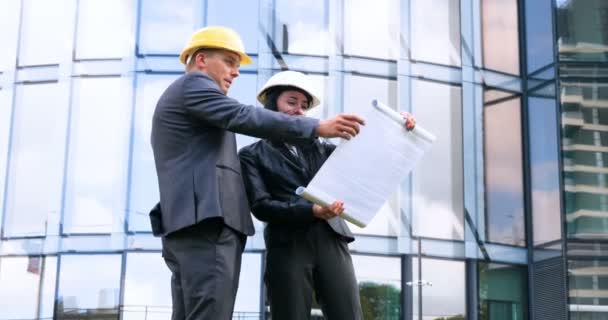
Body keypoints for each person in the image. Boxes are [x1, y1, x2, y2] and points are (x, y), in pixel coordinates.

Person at [149, 26, 365, 320]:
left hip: (193, 224)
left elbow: (355, 160)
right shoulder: (194, 87)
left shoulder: (190, 98)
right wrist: (315, 126)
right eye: (229, 61)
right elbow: (243, 116)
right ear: (201, 60)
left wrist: (398, 131)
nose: (235, 72)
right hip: (206, 224)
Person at [238, 71, 416, 320]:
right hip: (287, 245)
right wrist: (311, 211)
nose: (299, 110)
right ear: (271, 103)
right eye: (292, 102)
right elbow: (261, 206)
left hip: (331, 237)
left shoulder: (324, 147)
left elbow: (370, 155)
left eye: (304, 106)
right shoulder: (251, 155)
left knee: (348, 314)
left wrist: (399, 128)